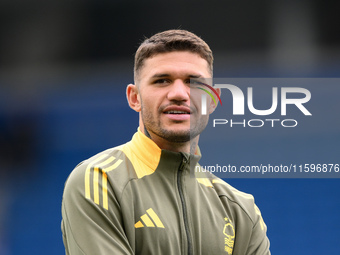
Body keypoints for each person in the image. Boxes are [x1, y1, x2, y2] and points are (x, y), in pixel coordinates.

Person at [61, 29, 270, 255]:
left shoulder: (240, 210)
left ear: (212, 100)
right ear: (135, 97)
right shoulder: (99, 181)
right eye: (162, 80)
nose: (179, 93)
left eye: (194, 82)